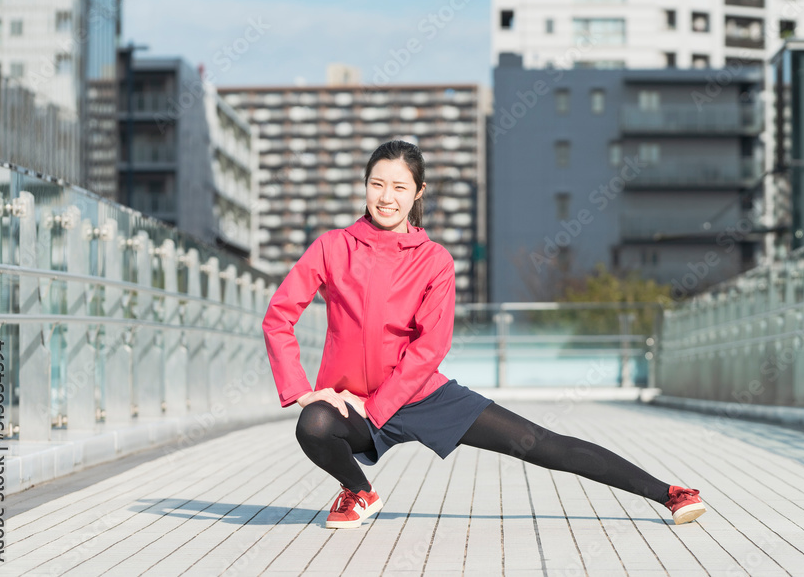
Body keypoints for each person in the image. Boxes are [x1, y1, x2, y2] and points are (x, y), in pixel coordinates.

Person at [262, 140, 706, 530]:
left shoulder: (434, 260)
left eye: (399, 187)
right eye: (377, 184)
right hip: (352, 402)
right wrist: (302, 391)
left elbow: (431, 346)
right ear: (364, 187)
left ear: (418, 192)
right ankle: (359, 492)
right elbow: (279, 316)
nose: (386, 197)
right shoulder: (333, 246)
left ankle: (668, 493)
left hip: (419, 395)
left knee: (538, 443)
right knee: (314, 424)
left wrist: (377, 407)